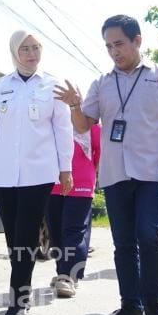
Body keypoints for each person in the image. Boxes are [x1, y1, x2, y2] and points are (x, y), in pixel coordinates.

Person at [56, 14, 158, 315]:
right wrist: (75, 106)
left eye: (119, 43)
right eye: (108, 46)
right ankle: (131, 307)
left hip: (150, 173)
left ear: (137, 40)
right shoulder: (102, 83)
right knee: (124, 243)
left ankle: (156, 309)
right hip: (116, 175)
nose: (114, 51)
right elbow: (82, 125)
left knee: (149, 234)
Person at [0, 30, 74, 315]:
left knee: (25, 234)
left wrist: (65, 168)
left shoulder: (52, 85)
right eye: (25, 49)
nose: (32, 54)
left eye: (36, 48)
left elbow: (62, 129)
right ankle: (23, 286)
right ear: (14, 52)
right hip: (5, 173)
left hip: (39, 172)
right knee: (13, 237)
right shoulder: (1, 87)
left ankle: (18, 300)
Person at [46, 123, 101, 298]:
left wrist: (91, 175)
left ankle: (69, 276)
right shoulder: (50, 124)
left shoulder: (91, 125)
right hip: (52, 182)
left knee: (74, 230)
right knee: (55, 231)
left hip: (81, 183)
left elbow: (99, 154)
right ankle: (62, 271)